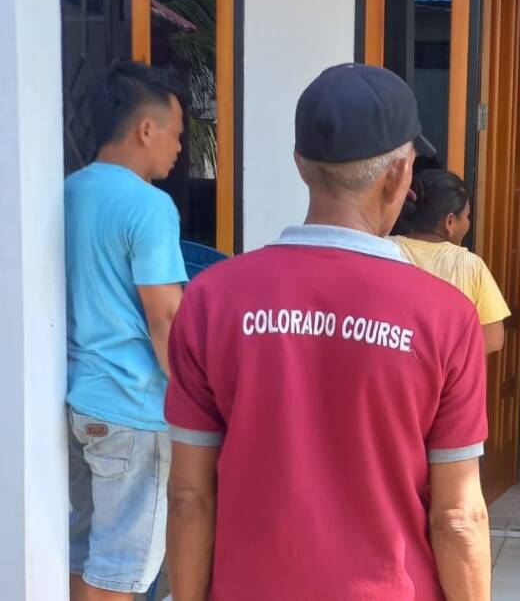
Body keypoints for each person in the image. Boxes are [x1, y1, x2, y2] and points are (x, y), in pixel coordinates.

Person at [165, 64, 490, 601]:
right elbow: (458, 518)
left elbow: (189, 497)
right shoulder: (445, 317)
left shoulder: (210, 299)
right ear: (399, 175)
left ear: (300, 164)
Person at [65, 61, 187, 601]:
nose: (179, 148)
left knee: (82, 555)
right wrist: (195, 397)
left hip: (79, 403)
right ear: (145, 129)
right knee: (121, 572)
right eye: (176, 134)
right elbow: (165, 317)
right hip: (134, 409)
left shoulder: (66, 192)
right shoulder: (149, 206)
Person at [393, 167, 510, 354]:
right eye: (467, 216)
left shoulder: (382, 249)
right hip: (445, 371)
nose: (468, 223)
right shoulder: (468, 265)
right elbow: (493, 339)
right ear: (450, 222)